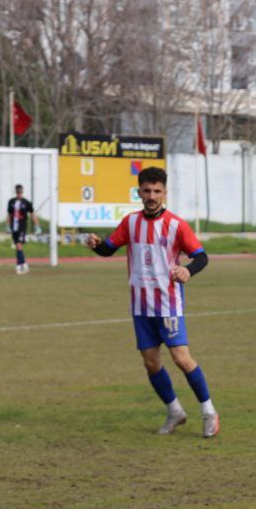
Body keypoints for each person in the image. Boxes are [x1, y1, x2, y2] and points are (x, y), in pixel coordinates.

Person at [84, 166, 219, 437]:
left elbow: (201, 257)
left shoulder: (177, 225)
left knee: (181, 358)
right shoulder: (130, 223)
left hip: (168, 304)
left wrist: (187, 270)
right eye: (147, 190)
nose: (152, 195)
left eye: (157, 191)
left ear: (165, 193)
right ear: (139, 192)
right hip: (140, 305)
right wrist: (96, 244)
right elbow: (109, 248)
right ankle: (175, 411)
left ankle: (209, 411)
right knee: (151, 363)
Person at [7, 184, 37, 274]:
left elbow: (32, 213)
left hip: (22, 226)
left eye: (20, 192)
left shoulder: (26, 202)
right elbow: (9, 214)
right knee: (17, 246)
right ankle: (24, 264)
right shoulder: (11, 202)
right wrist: (7, 225)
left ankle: (18, 266)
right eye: (17, 192)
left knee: (19, 245)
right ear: (15, 192)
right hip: (14, 227)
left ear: (22, 192)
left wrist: (36, 225)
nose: (19, 193)